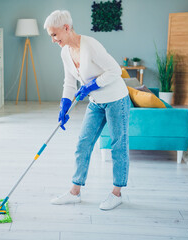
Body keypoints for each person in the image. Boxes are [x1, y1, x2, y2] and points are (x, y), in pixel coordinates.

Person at [44, 10, 130, 210]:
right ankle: (75, 192)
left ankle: (116, 193)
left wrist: (92, 86)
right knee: (83, 144)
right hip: (96, 103)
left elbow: (115, 71)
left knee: (118, 145)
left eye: (54, 35)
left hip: (116, 99)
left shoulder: (90, 45)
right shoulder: (65, 52)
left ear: (66, 28)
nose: (53, 40)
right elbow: (69, 82)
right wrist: (64, 104)